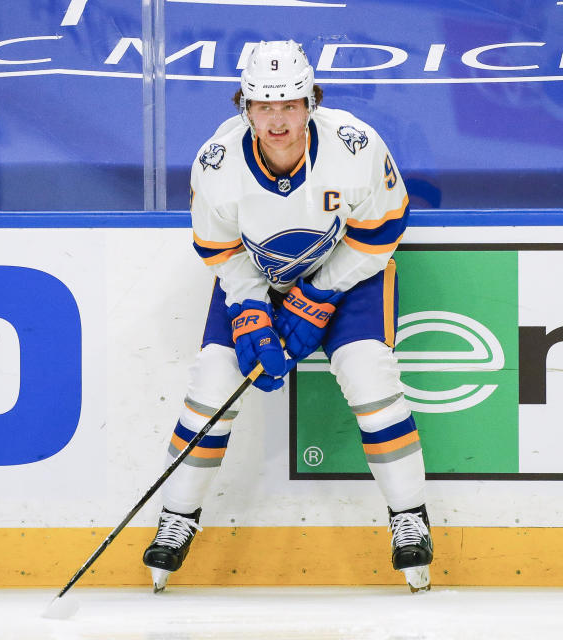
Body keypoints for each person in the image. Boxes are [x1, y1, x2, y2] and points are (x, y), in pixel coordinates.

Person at [142, 40, 433, 593]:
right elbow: (220, 249)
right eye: (264, 106)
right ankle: (177, 517)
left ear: (310, 102)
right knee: (212, 384)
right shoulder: (218, 164)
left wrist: (319, 294)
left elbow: (384, 231)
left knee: (369, 374)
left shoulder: (354, 145)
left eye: (290, 105)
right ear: (245, 107)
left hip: (350, 276)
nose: (278, 120)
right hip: (258, 279)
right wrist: (251, 308)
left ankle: (409, 517)